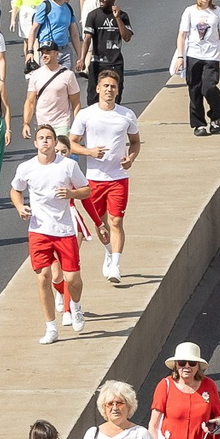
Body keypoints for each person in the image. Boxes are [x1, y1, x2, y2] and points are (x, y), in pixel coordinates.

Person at [10, 124, 89, 340]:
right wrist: (20, 207)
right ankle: (51, 327)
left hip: (64, 230)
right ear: (35, 143)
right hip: (38, 230)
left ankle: (76, 305)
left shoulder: (68, 166)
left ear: (55, 142)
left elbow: (86, 190)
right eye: (41, 138)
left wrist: (71, 192)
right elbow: (15, 189)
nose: (45, 141)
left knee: (72, 278)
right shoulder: (27, 168)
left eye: (49, 138)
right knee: (43, 277)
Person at [67, 71, 141, 286]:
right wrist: (89, 152)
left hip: (118, 177)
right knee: (100, 223)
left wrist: (131, 158)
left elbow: (135, 142)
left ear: (117, 91)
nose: (109, 90)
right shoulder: (86, 115)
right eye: (105, 86)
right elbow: (71, 142)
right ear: (98, 89)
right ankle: (109, 251)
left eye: (113, 87)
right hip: (94, 179)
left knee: (116, 220)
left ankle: (116, 264)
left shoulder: (126, 115)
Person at [171, 0, 220, 136]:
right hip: (193, 56)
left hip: (211, 57)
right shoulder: (190, 12)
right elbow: (182, 35)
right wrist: (180, 56)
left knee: (209, 88)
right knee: (195, 91)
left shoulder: (217, 12)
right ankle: (199, 124)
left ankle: (215, 116)